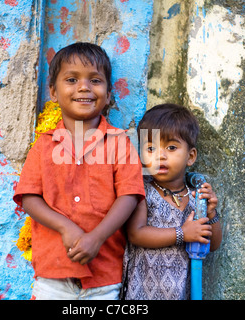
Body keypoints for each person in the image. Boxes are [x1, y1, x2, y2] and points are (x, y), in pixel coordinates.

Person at [13, 42, 146, 300]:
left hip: (104, 277)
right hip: (52, 275)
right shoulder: (43, 145)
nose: (84, 87)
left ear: (108, 95)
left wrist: (97, 237)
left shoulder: (120, 143)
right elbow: (29, 197)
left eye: (95, 80)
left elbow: (129, 196)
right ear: (53, 91)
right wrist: (65, 228)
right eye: (72, 79)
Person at [122, 103, 222, 300]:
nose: (160, 155)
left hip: (181, 293)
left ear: (190, 156)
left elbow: (213, 245)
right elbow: (136, 233)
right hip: (142, 293)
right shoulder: (143, 190)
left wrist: (211, 213)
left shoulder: (196, 197)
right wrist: (182, 234)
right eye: (150, 148)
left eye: (171, 147)